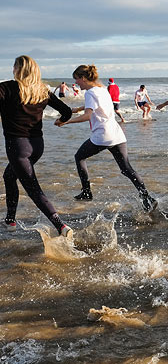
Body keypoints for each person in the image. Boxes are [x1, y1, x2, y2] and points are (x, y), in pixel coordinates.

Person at [55, 65, 157, 212]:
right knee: (126, 169)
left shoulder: (90, 93)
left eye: (77, 80)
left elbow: (88, 116)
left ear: (83, 78)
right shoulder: (102, 89)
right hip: (117, 134)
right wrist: (77, 109)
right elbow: (96, 106)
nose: (77, 83)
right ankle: (147, 197)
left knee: (79, 157)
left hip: (102, 136)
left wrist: (66, 122)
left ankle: (86, 191)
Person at [0, 56, 72, 237]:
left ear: (18, 69)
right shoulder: (42, 91)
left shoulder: (6, 88)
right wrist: (61, 121)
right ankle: (10, 220)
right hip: (37, 146)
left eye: (14, 66)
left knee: (33, 189)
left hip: (18, 147)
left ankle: (61, 226)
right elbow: (67, 111)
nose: (12, 68)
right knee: (9, 176)